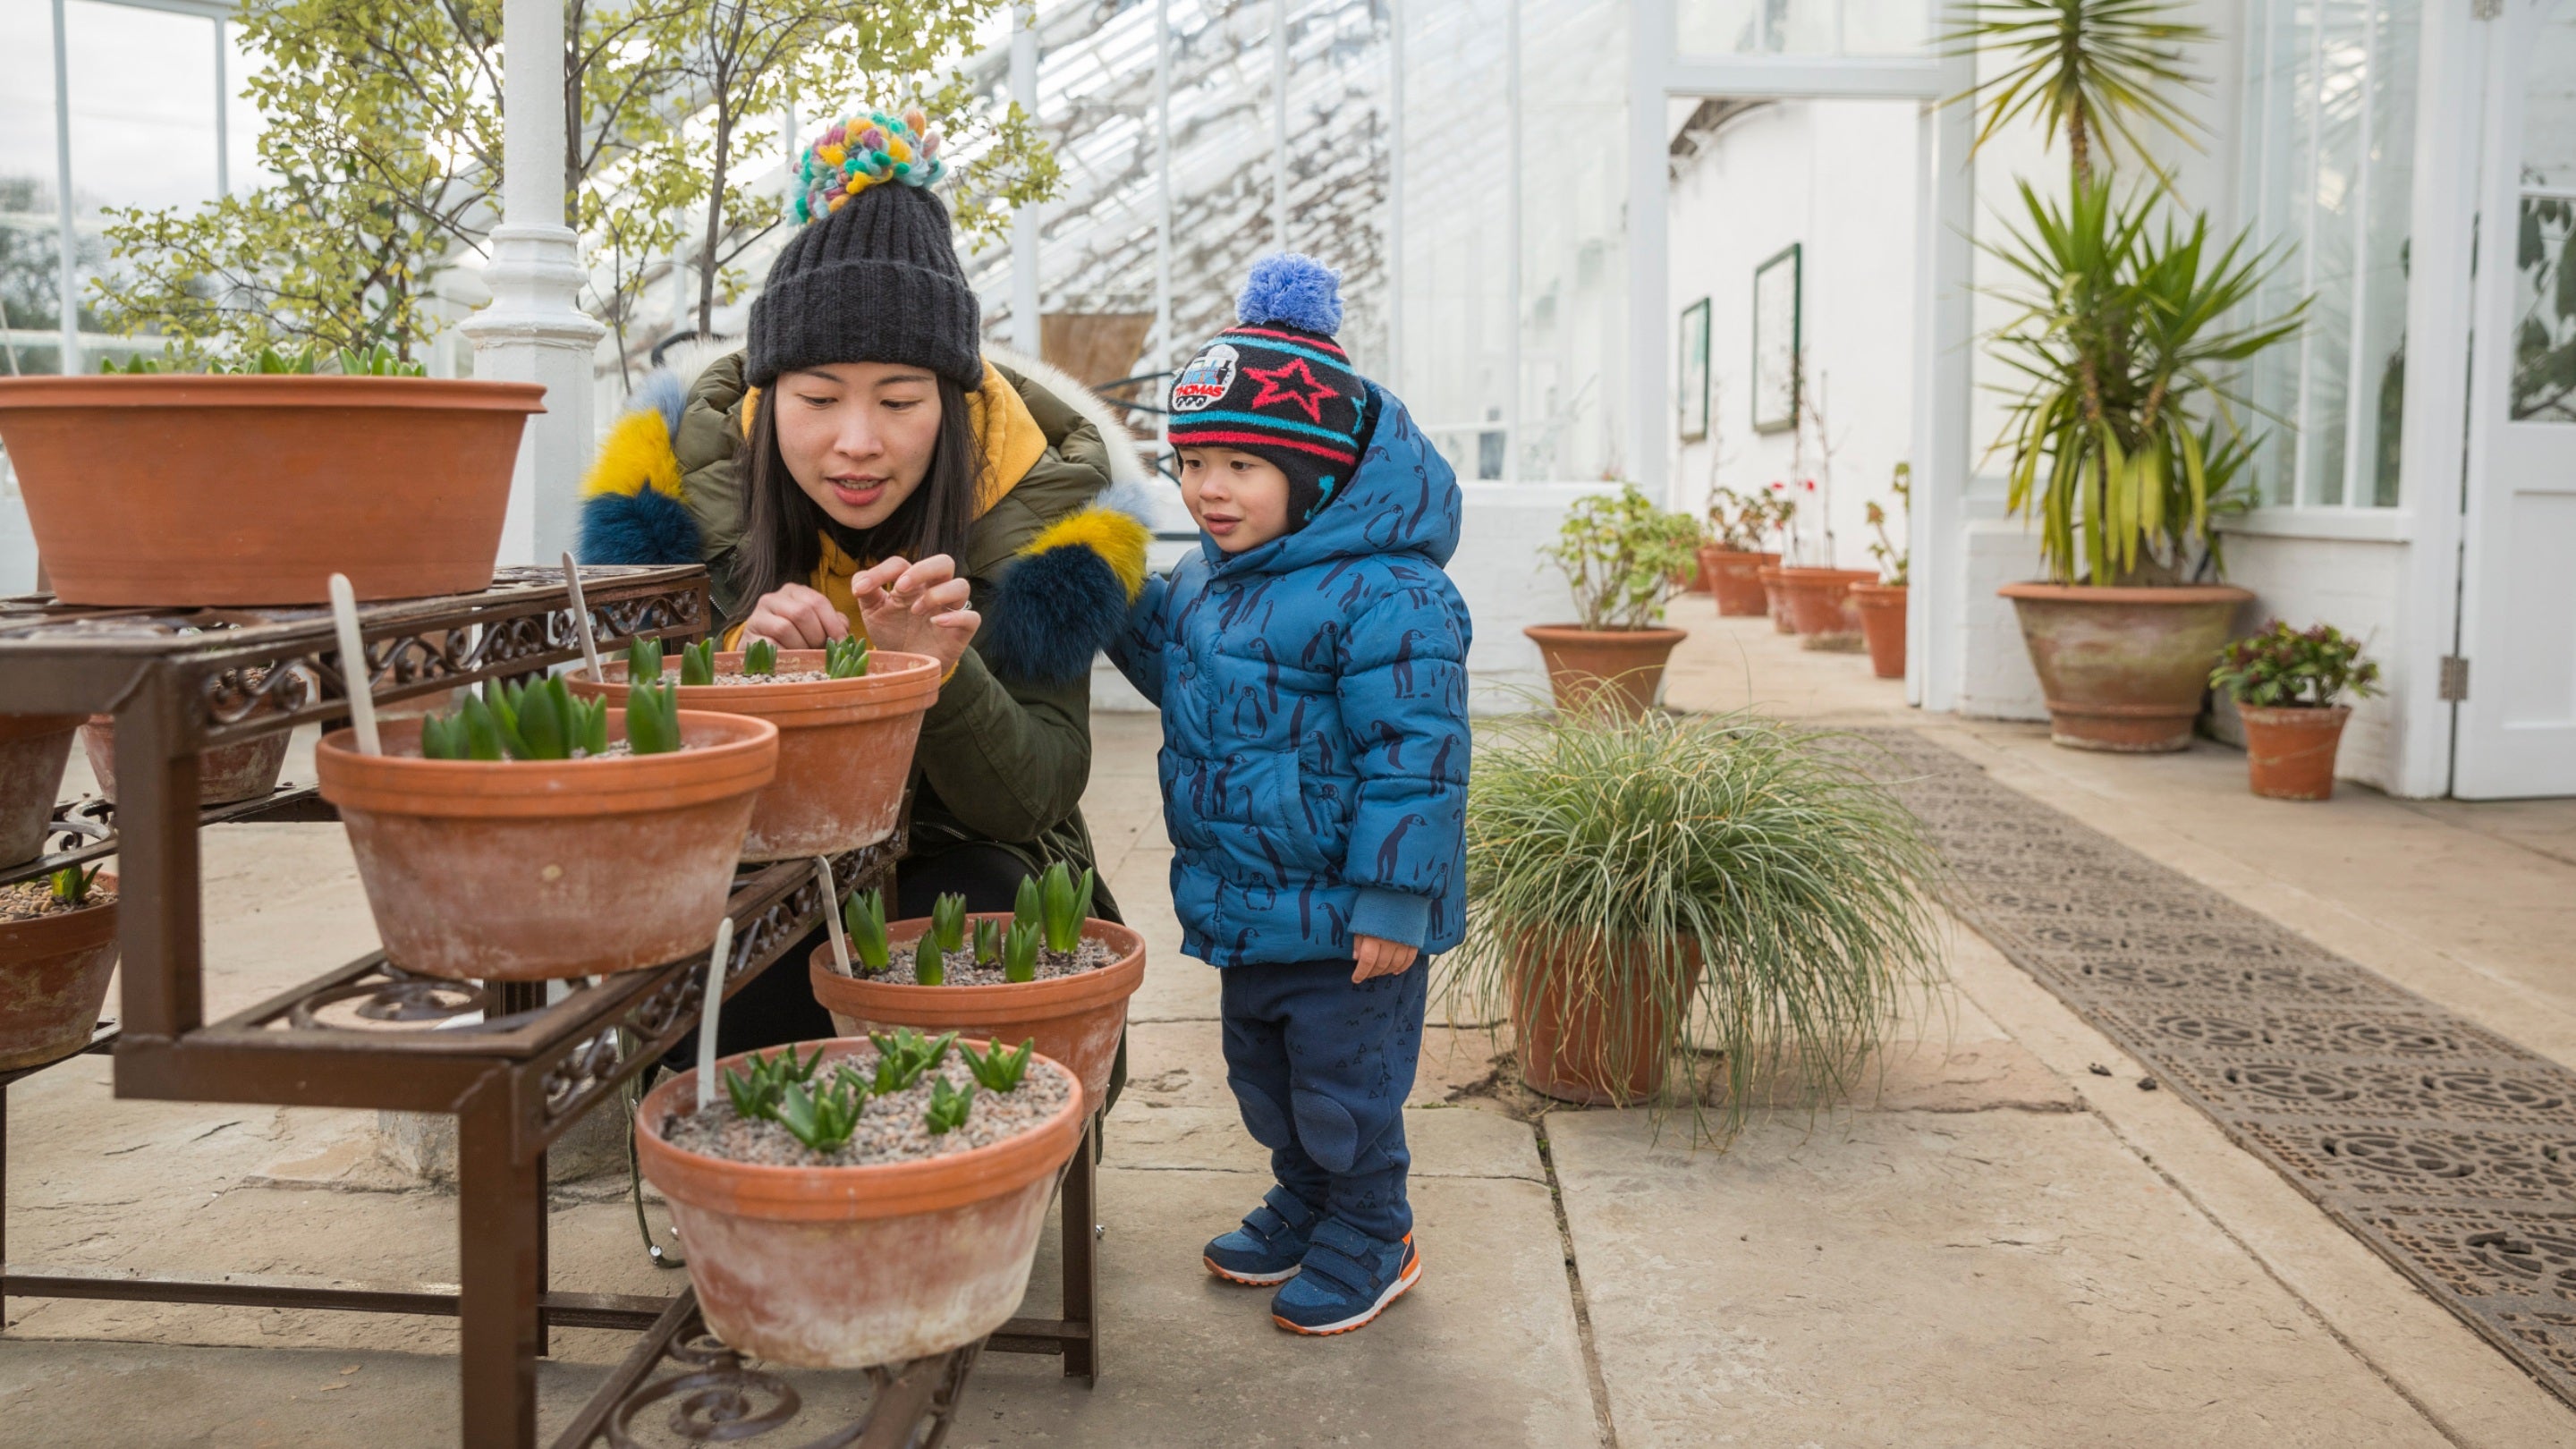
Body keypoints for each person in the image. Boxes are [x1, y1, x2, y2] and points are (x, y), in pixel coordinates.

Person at [578, 108, 1152, 1055]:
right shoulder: (675, 509)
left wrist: (935, 672)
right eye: (816, 399)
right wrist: (731, 675)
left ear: (953, 405)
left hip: (965, 867)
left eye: (898, 400)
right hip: (760, 866)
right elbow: (632, 774)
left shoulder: (1037, 517)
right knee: (717, 991)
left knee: (985, 922)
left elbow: (1035, 796)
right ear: (764, 403)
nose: (856, 441)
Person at [1107, 254, 1471, 1336]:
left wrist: (1395, 903)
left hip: (1352, 920)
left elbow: (1420, 757)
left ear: (1316, 475)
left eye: (1242, 465)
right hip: (1251, 901)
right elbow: (1176, 673)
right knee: (1263, 1078)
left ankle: (1373, 1229)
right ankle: (1306, 1201)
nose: (1208, 489)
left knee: (1345, 1093)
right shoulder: (1212, 581)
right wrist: (1106, 592)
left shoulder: (1391, 591)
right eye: (1192, 462)